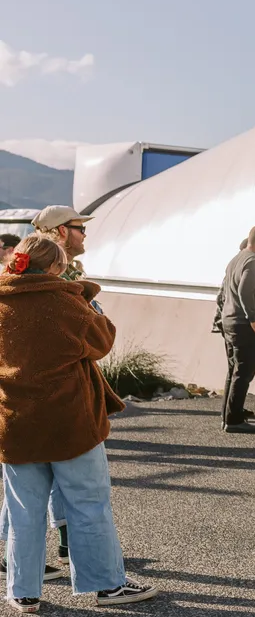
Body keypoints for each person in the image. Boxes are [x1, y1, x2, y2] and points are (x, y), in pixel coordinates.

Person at [0, 235, 157, 609]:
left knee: (23, 511)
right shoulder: (64, 301)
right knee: (88, 502)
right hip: (68, 421)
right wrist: (82, 293)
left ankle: (24, 593)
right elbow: (102, 339)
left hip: (15, 422)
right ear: (56, 267)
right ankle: (107, 586)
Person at [213, 225, 255, 434]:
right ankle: (234, 420)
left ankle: (229, 413)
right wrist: (253, 317)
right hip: (243, 324)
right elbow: (244, 289)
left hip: (229, 322)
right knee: (244, 371)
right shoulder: (254, 262)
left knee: (234, 370)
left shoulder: (236, 259)